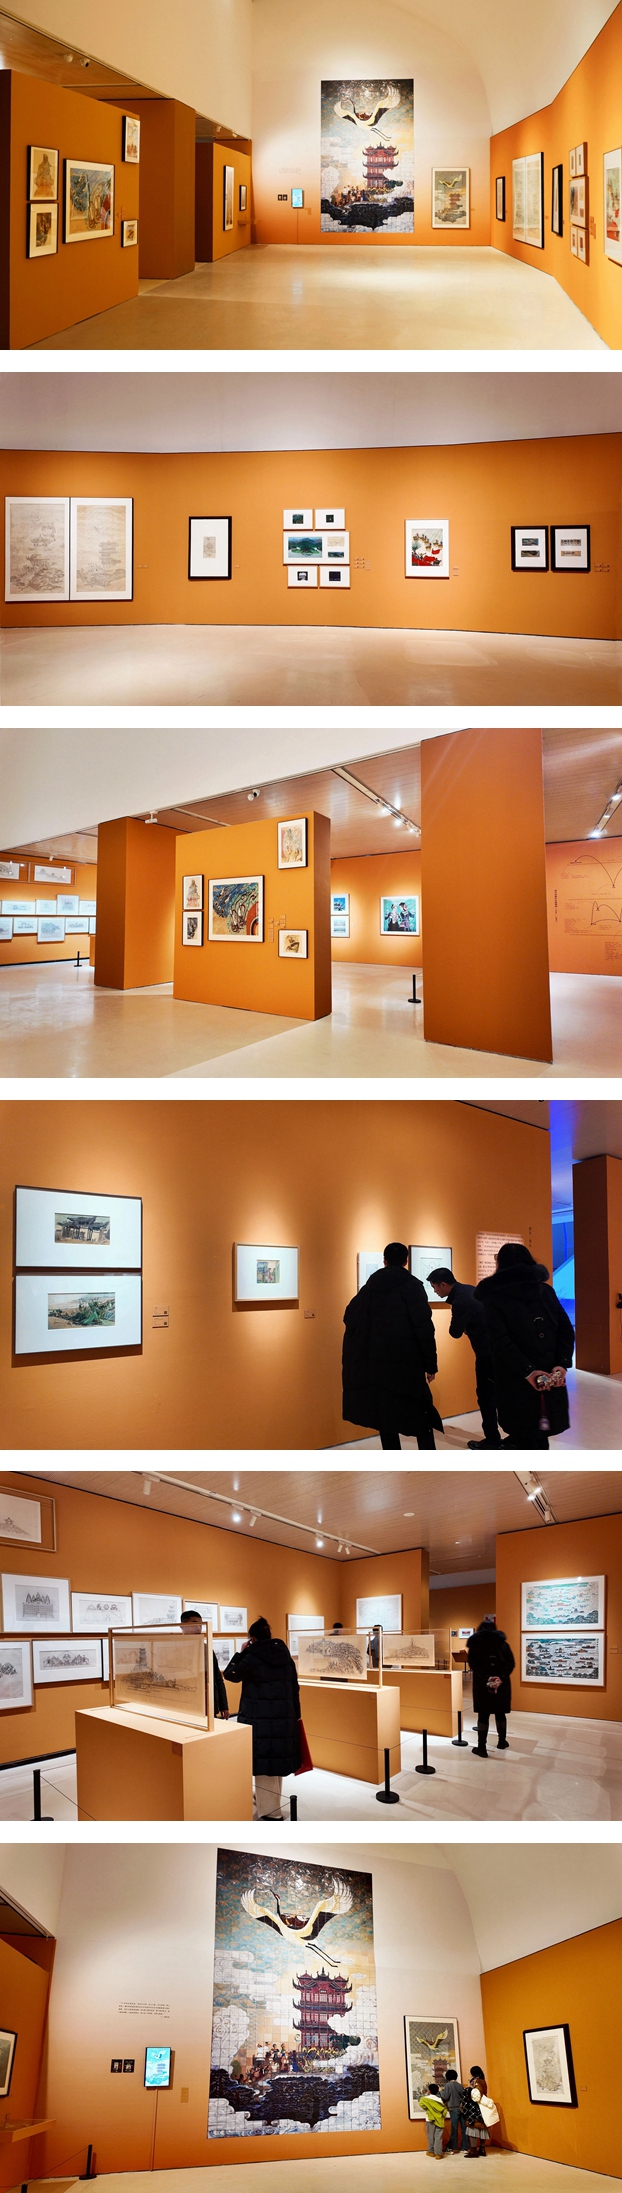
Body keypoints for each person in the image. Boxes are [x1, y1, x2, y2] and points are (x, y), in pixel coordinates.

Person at [474, 1243, 574, 1450]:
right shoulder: (545, 1291)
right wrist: (561, 1364)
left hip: (515, 1377)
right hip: (549, 1374)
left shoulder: (494, 1297)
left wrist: (528, 1371)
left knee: (523, 1434)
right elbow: (565, 1330)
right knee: (541, 1433)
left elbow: (501, 1341)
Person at [342, 1241, 440, 1450]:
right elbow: (424, 1328)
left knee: (385, 1417)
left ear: (384, 1261)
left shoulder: (369, 1288)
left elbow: (350, 1318)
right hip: (408, 1364)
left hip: (377, 1365)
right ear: (406, 1261)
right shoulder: (412, 1287)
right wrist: (430, 1365)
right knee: (420, 1416)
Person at [224, 1616, 300, 1820]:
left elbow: (230, 1674)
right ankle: (272, 1805)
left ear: (253, 1638)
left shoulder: (252, 1656)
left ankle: (271, 1813)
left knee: (264, 1765)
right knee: (275, 1764)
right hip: (284, 1718)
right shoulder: (285, 1655)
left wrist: (241, 1652)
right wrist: (296, 1718)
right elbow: (295, 1688)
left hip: (259, 1719)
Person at [428, 1266, 501, 1450]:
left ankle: (492, 1439)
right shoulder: (469, 1289)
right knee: (498, 1394)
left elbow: (455, 1332)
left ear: (443, 1284)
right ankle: (506, 1435)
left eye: (434, 1287)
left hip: (486, 1353)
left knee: (485, 1397)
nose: (435, 1291)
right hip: (498, 1349)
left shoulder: (460, 1301)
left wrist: (467, 1328)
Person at [467, 1614, 515, 1758]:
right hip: (501, 1685)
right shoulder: (503, 1645)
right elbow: (510, 1663)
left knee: (483, 1714)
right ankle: (502, 1741)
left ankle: (482, 1748)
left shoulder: (475, 1645)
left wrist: (487, 1678)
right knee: (500, 1713)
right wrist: (500, 1678)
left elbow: (473, 1665)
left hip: (482, 1684)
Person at [180, 1607, 229, 1718]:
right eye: (195, 1624)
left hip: (208, 1703)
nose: (198, 1628)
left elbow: (217, 1678)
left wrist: (223, 1705)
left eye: (201, 1625)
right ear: (182, 1626)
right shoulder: (177, 1649)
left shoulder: (207, 1649)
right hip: (186, 1704)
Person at [461, 2071, 490, 2158]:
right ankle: (482, 2149)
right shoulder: (483, 2081)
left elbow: (475, 2095)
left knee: (473, 2128)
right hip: (482, 2108)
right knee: (482, 2128)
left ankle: (473, 2150)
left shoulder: (476, 2081)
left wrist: (470, 2088)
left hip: (474, 2108)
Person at [419, 2081, 449, 2159]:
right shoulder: (439, 2100)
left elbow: (421, 2104)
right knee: (438, 2137)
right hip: (439, 2120)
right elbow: (444, 2111)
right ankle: (438, 2154)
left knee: (430, 2136)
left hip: (430, 2120)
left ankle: (431, 2151)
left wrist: (429, 2109)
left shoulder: (424, 2099)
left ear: (429, 2091)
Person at [440, 2066, 465, 2153]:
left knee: (454, 2129)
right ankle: (465, 2147)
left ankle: (454, 2147)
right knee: (464, 2128)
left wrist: (441, 2091)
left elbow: (445, 2097)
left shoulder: (448, 2085)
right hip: (462, 2109)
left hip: (453, 2109)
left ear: (447, 2077)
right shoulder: (460, 2085)